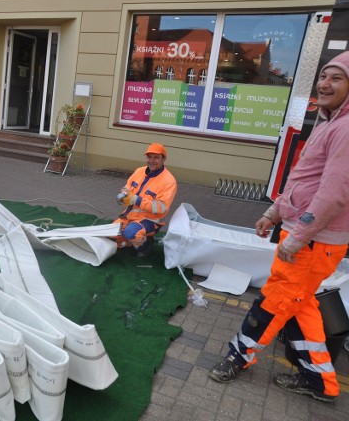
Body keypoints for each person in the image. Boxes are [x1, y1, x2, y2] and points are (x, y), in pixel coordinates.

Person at [209, 51, 349, 403]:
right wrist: (274, 213)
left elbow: (333, 194)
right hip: (310, 237)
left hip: (315, 241)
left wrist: (299, 235)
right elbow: (303, 179)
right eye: (324, 76)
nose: (325, 83)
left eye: (337, 78)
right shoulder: (329, 122)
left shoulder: (345, 129)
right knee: (301, 306)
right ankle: (321, 381)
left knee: (273, 303)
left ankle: (238, 356)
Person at [113, 142, 177, 257]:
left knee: (131, 232)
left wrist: (136, 200)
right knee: (111, 234)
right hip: (129, 216)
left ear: (164, 159)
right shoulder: (139, 171)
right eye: (149, 157)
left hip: (151, 220)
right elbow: (127, 187)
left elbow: (161, 207)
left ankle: (145, 245)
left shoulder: (169, 181)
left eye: (156, 158)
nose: (151, 161)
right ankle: (130, 241)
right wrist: (123, 195)